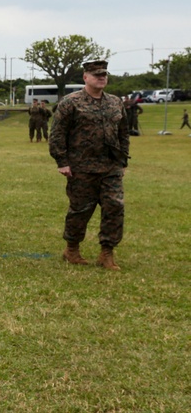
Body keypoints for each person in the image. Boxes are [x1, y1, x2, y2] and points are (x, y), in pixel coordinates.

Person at [48, 59, 129, 270]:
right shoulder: (70, 102)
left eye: (104, 75)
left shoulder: (115, 102)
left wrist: (123, 160)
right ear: (85, 77)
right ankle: (72, 249)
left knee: (115, 207)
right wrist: (62, 161)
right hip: (81, 168)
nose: (102, 78)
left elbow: (123, 133)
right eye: (97, 75)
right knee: (80, 210)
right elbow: (57, 134)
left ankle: (107, 253)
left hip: (110, 167)